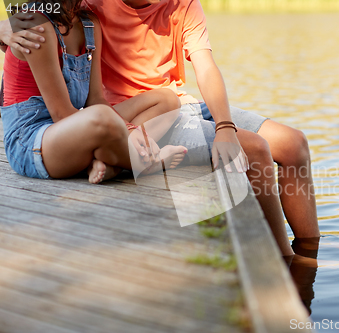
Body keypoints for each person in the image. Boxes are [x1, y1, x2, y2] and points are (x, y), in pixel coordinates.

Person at [0, 0, 320, 256]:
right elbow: (31, 12)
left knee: (293, 144)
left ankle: (309, 253)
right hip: (78, 125)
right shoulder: (81, 9)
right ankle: (285, 264)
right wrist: (7, 26)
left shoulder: (96, 17)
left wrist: (225, 126)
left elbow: (204, 67)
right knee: (254, 149)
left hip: (156, 108)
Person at [0, 0, 187, 185]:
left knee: (166, 100)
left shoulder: (89, 23)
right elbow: (61, 113)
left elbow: (96, 99)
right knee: (103, 117)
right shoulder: (34, 24)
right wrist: (130, 130)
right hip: (32, 142)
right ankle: (148, 163)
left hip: (74, 126)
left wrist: (129, 129)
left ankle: (110, 161)